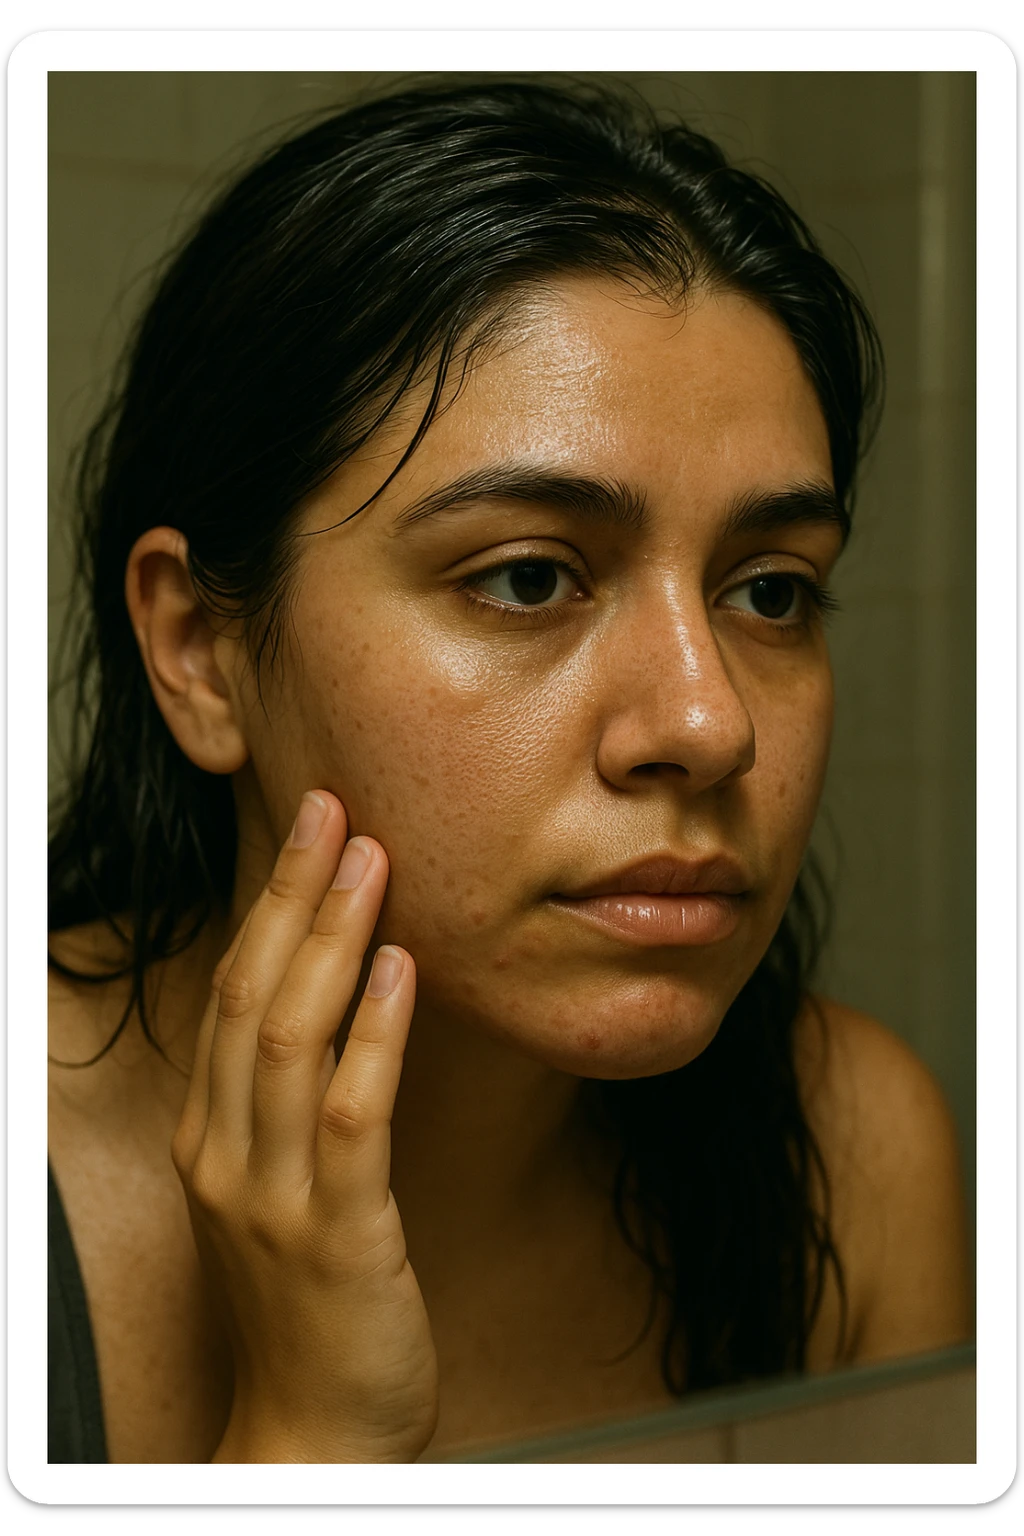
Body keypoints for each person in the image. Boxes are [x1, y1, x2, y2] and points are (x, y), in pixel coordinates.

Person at [47, 79, 971, 1465]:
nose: (708, 722)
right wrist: (307, 1438)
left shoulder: (854, 1151)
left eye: (772, 593)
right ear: (199, 651)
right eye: (528, 576)